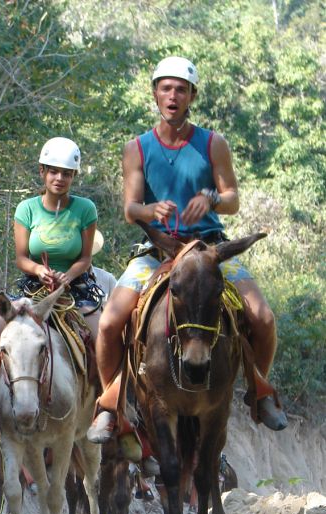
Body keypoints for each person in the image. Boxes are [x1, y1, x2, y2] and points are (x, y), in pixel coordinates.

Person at [88, 56, 287, 453]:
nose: (173, 95)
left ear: (192, 95)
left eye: (181, 88)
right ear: (155, 94)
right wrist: (149, 210)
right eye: (166, 87)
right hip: (157, 249)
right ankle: (110, 402)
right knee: (110, 322)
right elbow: (130, 209)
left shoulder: (213, 143)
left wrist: (209, 196)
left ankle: (259, 390)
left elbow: (231, 198)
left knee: (262, 317)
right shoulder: (137, 148)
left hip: (212, 249)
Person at [0, 136, 104, 358]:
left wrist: (67, 277)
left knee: (106, 344)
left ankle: (110, 392)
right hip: (34, 290)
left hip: (76, 291)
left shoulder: (86, 209)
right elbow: (21, 258)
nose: (59, 178)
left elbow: (85, 258)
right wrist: (39, 270)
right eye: (53, 171)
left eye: (66, 173)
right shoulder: (26, 209)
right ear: (42, 172)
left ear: (74, 175)